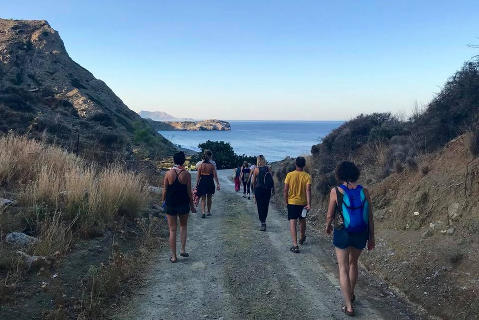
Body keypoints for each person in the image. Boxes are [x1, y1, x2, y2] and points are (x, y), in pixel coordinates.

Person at [325, 161, 375, 317]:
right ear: (355, 174)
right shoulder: (364, 191)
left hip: (342, 232)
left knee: (343, 267)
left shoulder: (336, 191)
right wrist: (371, 237)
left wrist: (328, 226)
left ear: (340, 174)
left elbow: (329, 214)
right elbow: (370, 217)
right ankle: (351, 294)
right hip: (361, 232)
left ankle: (348, 306)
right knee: (354, 263)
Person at [162, 151, 196, 263]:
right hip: (183, 203)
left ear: (174, 160)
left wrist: (163, 201)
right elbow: (189, 193)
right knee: (183, 226)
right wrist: (192, 206)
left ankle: (173, 256)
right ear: (183, 161)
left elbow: (165, 190)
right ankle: (182, 249)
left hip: (170, 203)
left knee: (172, 230)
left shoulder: (168, 174)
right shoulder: (187, 174)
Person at [284, 156, 311, 253]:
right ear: (304, 165)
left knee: (293, 221)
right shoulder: (307, 176)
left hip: (292, 202)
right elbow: (308, 190)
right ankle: (302, 236)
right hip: (303, 203)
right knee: (302, 220)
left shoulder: (289, 175)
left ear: (296, 164)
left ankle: (295, 245)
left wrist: (286, 200)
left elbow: (286, 189)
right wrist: (309, 203)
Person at [251, 155, 274, 231]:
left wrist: (253, 192)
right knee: (266, 205)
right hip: (267, 190)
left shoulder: (256, 170)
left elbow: (253, 182)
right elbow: (271, 179)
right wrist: (273, 189)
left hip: (259, 190)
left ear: (258, 161)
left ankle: (262, 222)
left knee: (260, 206)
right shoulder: (268, 168)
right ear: (264, 160)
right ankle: (264, 220)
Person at [196, 150, 220, 218]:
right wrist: (218, 184)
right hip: (210, 181)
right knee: (209, 198)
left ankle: (203, 212)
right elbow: (215, 176)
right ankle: (208, 211)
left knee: (203, 198)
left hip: (203, 181)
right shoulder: (212, 166)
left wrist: (197, 184)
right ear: (209, 158)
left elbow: (198, 177)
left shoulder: (200, 166)